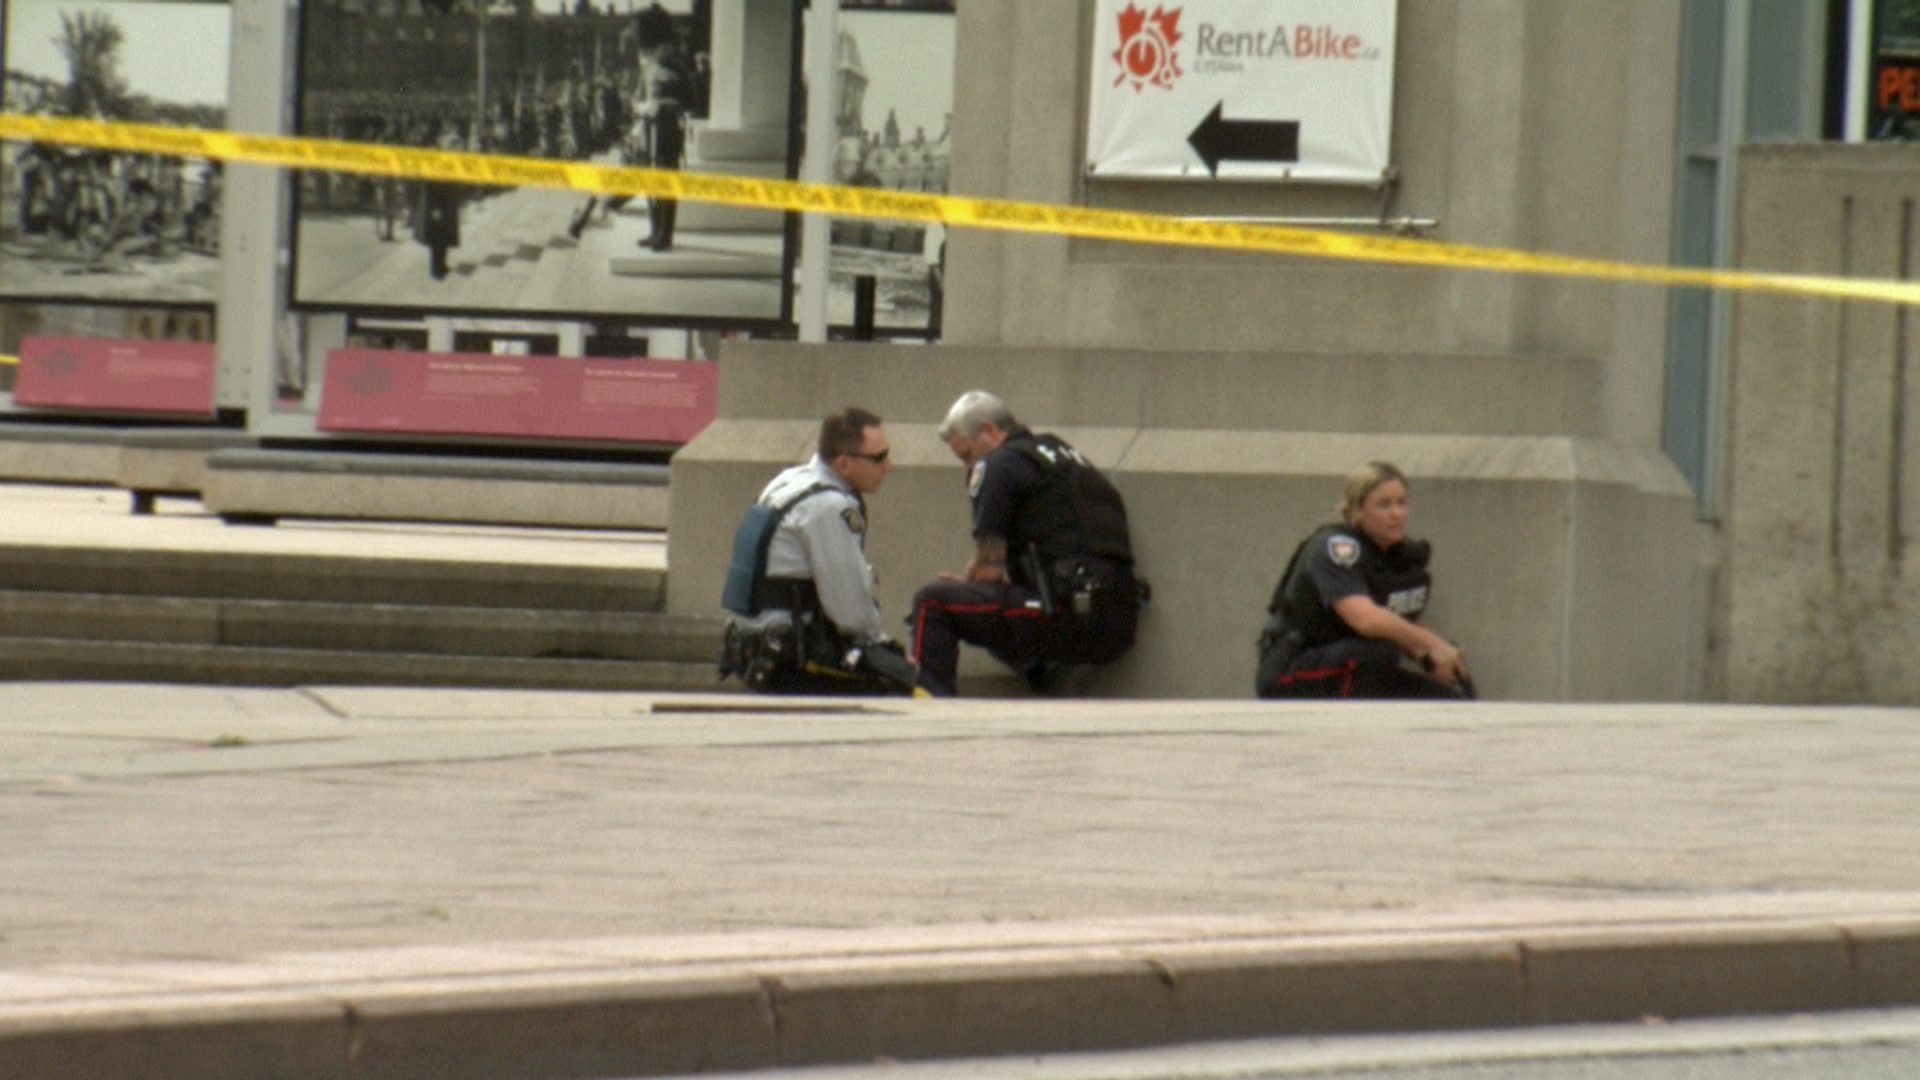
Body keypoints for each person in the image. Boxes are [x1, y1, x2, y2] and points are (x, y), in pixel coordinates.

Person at [908, 391, 1145, 697]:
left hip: (1063, 615)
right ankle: (1050, 681)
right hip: (1117, 618)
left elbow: (990, 568)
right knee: (996, 604)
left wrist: (970, 584)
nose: (968, 466)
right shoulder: (1062, 456)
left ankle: (929, 709)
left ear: (990, 432)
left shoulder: (998, 465)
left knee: (933, 602)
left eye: (967, 455)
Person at [719, 408, 919, 695]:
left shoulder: (790, 480)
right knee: (905, 687)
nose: (889, 464)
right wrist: (889, 650)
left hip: (755, 646)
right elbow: (850, 612)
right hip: (790, 660)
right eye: (879, 457)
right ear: (844, 463)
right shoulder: (829, 506)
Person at [1255, 461, 1474, 699]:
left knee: (1448, 701)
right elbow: (1366, 620)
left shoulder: (1399, 555)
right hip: (1291, 671)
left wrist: (1432, 657)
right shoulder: (1335, 549)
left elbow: (1405, 623)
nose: (1396, 513)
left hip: (1353, 666)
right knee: (1379, 651)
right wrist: (1432, 643)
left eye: (1401, 503)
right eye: (1384, 505)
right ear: (1356, 512)